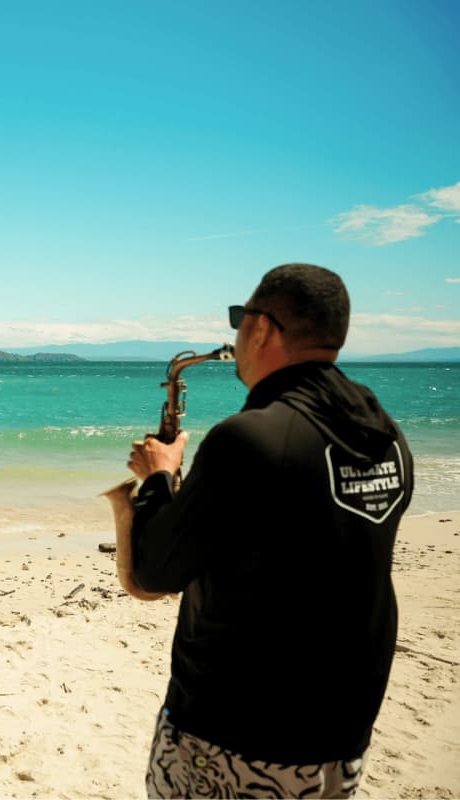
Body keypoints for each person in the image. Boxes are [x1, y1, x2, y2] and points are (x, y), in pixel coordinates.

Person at [125, 263, 414, 799]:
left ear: (261, 329)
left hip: (237, 733)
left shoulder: (249, 438)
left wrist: (158, 478)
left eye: (240, 319)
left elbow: (153, 572)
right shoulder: (385, 436)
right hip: (341, 734)